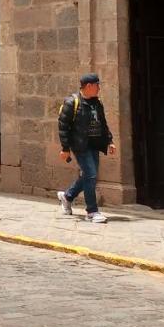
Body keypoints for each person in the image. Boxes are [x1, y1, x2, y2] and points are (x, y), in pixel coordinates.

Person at [56, 73, 116, 223]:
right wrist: (65, 148)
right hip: (80, 145)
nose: (99, 88)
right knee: (91, 175)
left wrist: (110, 141)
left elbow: (103, 123)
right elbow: (63, 127)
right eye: (97, 85)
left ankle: (67, 196)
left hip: (94, 144)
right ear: (89, 86)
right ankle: (92, 211)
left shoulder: (97, 103)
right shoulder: (72, 102)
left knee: (89, 176)